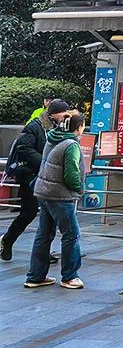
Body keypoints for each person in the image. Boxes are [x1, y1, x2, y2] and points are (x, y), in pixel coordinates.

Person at [1, 99, 70, 262]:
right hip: (31, 176)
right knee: (29, 212)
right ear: (53, 113)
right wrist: (44, 163)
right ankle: (7, 241)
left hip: (48, 177)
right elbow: (24, 147)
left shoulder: (59, 128)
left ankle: (42, 252)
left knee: (48, 216)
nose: (65, 116)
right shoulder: (35, 126)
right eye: (63, 113)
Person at [25, 111, 88, 289]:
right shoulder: (71, 145)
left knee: (43, 235)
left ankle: (35, 276)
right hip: (60, 196)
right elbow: (71, 174)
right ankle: (70, 276)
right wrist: (80, 189)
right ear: (79, 127)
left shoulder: (52, 139)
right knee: (71, 234)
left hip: (44, 192)